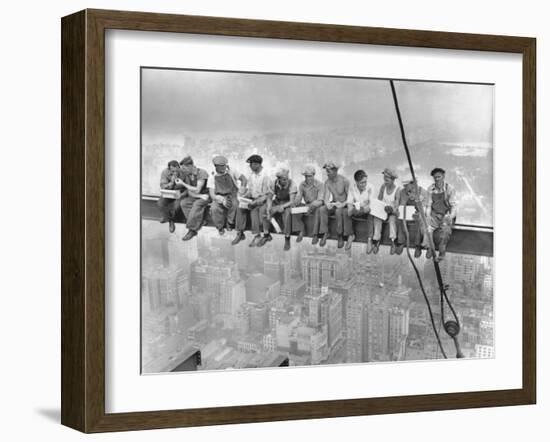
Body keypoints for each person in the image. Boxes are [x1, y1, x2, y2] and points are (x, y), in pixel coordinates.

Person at [232, 154, 273, 247]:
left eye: (251, 164)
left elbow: (269, 193)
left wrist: (258, 201)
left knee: (256, 211)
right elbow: (250, 191)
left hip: (264, 200)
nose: (250, 166)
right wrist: (243, 197)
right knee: (241, 207)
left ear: (257, 164)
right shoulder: (251, 175)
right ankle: (240, 232)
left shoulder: (266, 175)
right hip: (253, 199)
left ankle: (264, 235)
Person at [208, 155, 247, 235]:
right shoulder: (212, 176)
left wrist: (242, 189)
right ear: (216, 166)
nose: (224, 168)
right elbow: (212, 194)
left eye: (225, 165)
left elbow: (244, 179)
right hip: (219, 196)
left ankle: (229, 223)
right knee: (214, 208)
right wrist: (219, 199)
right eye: (221, 166)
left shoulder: (231, 170)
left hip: (232, 194)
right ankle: (220, 227)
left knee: (235, 204)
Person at [426, 167, 457, 261]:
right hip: (434, 214)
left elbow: (453, 205)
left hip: (446, 214)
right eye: (435, 177)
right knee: (428, 229)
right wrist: (428, 216)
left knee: (445, 232)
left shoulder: (449, 188)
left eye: (439, 177)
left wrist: (450, 216)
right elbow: (429, 205)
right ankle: (430, 248)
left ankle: (442, 251)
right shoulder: (430, 189)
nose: (437, 179)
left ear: (443, 177)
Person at [317, 161, 350, 248]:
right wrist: (327, 203)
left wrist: (343, 204)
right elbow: (326, 197)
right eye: (326, 171)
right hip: (335, 204)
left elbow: (350, 198)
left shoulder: (344, 181)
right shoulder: (327, 182)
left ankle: (340, 235)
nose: (327, 173)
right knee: (322, 209)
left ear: (335, 171)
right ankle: (325, 232)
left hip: (344, 205)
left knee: (339, 211)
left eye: (329, 171)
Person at [178, 156, 210, 241]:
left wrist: (183, 184)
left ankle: (192, 230)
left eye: (184, 168)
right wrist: (199, 196)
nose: (183, 170)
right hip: (198, 196)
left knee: (197, 204)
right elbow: (190, 191)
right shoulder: (188, 175)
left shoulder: (202, 173)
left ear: (190, 166)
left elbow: (197, 189)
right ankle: (200, 221)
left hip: (206, 196)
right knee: (184, 203)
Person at [268, 167, 298, 251]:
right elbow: (270, 197)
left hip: (287, 203)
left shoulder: (292, 184)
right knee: (267, 211)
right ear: (279, 179)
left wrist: (281, 207)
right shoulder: (274, 183)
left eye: (286, 178)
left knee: (287, 213)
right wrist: (270, 207)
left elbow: (292, 201)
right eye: (283, 179)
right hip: (277, 201)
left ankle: (287, 237)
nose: (286, 181)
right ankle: (269, 233)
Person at [396, 180, 429, 257]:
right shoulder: (402, 192)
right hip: (407, 212)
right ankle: (401, 242)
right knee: (400, 218)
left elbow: (424, 207)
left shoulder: (423, 192)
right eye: (406, 186)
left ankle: (417, 246)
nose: (407, 188)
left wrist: (417, 201)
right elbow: (402, 205)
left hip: (418, 212)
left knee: (420, 220)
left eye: (410, 186)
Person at [293, 165, 324, 244]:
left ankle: (315, 235)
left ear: (313, 175)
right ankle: (302, 230)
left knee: (318, 211)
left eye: (309, 176)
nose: (307, 178)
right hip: (306, 205)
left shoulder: (320, 185)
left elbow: (320, 200)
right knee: (294, 210)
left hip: (317, 205)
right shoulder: (302, 184)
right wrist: (295, 202)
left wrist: (313, 205)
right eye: (306, 176)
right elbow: (299, 196)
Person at [346, 169, 375, 252]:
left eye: (365, 182)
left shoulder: (370, 187)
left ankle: (369, 239)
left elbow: (371, 204)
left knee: (371, 214)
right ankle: (351, 235)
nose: (364, 184)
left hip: (367, 210)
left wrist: (365, 207)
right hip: (358, 210)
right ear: (356, 182)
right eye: (362, 183)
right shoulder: (352, 188)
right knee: (348, 213)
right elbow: (349, 203)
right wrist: (351, 209)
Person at [373, 168, 401, 254]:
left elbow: (397, 203)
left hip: (392, 211)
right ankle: (376, 240)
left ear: (392, 179)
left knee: (392, 220)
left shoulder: (397, 189)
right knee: (377, 219)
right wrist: (379, 206)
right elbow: (380, 198)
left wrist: (391, 208)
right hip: (383, 210)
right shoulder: (383, 186)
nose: (385, 181)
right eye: (384, 179)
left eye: (387, 179)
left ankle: (393, 241)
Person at [157, 160, 187, 233]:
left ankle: (171, 221)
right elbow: (163, 186)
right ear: (169, 169)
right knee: (160, 203)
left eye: (177, 170)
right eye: (173, 171)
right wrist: (171, 183)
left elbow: (188, 188)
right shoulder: (165, 172)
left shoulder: (184, 173)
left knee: (176, 207)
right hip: (168, 193)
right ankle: (167, 217)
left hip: (179, 194)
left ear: (179, 168)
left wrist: (182, 195)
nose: (175, 173)